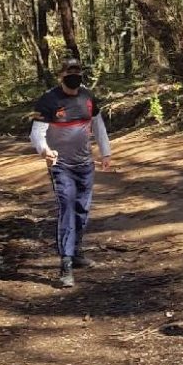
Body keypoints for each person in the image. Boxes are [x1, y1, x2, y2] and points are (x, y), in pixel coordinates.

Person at [30, 57, 112, 288]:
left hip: (85, 164)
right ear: (61, 75)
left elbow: (98, 124)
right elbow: (36, 132)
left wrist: (105, 152)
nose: (74, 75)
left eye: (77, 71)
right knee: (66, 207)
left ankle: (76, 252)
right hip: (60, 165)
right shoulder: (49, 100)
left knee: (81, 209)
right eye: (69, 72)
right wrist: (44, 149)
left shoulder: (87, 97)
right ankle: (65, 263)